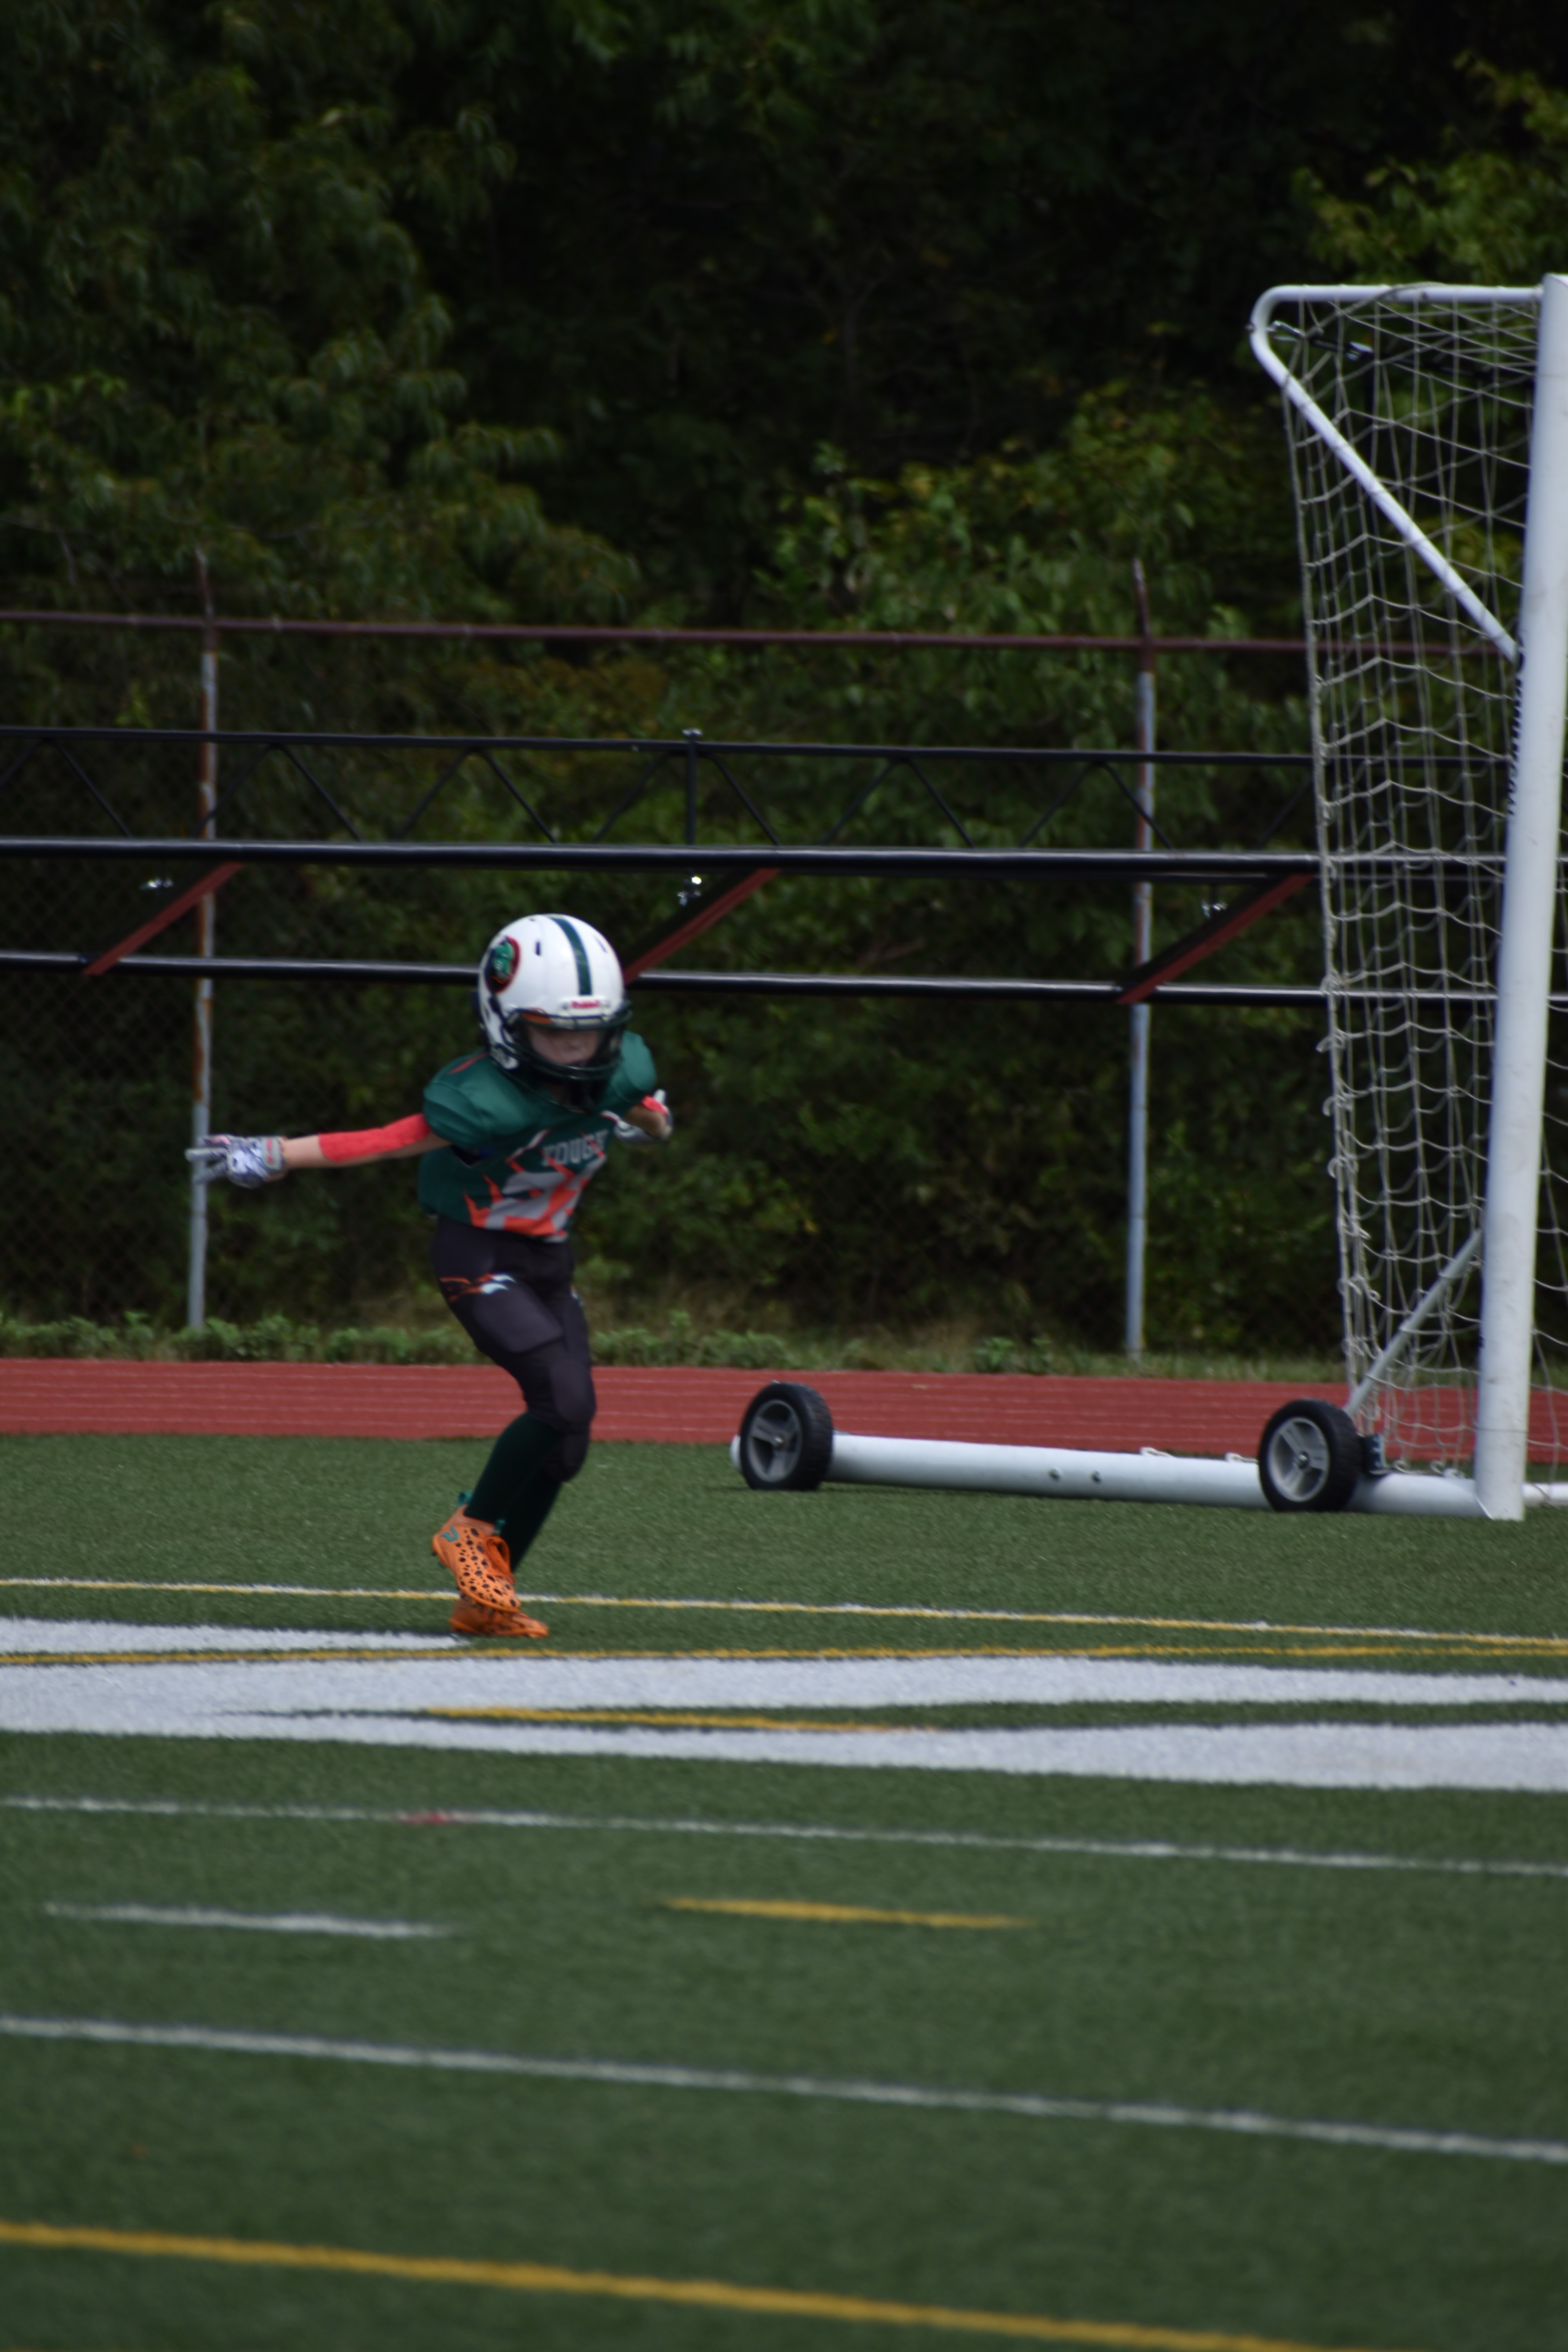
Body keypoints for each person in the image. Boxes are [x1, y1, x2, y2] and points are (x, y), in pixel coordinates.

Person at [189, 912, 671, 1641]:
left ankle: (486, 1599)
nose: (578, 1051)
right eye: (556, 1034)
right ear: (507, 1024)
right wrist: (277, 1153)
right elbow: (386, 1142)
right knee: (564, 1395)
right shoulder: (483, 1101)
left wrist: (652, 1124)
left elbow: (644, 1108)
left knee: (568, 1442)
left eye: (592, 1033)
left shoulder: (619, 1072)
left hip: (549, 1261)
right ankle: (468, 1531)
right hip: (481, 1257)